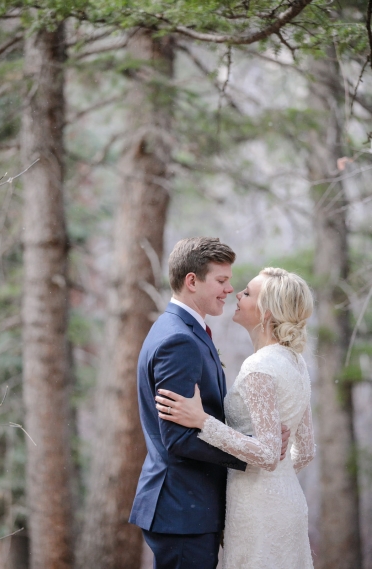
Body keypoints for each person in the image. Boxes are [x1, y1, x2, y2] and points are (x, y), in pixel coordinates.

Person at [128, 237, 290, 569]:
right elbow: (178, 438)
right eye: (221, 280)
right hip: (182, 510)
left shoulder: (185, 331)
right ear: (192, 281)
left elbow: (199, 419)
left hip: (189, 508)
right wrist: (252, 452)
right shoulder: (179, 340)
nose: (229, 289)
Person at [155, 266, 315, 568]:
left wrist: (203, 421)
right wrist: (277, 478)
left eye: (248, 292)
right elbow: (304, 452)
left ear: (266, 312)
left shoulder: (259, 368)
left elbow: (267, 455)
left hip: (257, 509)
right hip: (288, 502)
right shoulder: (297, 363)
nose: (237, 294)